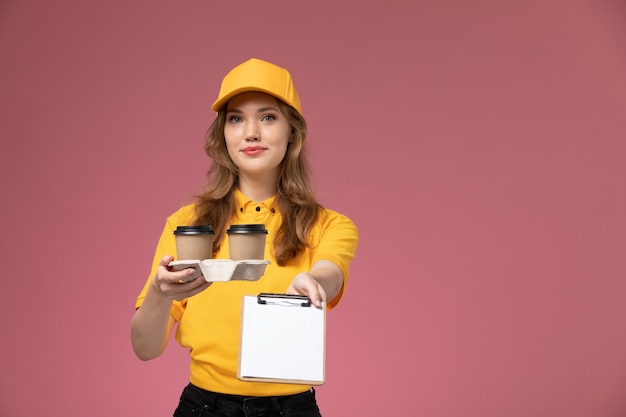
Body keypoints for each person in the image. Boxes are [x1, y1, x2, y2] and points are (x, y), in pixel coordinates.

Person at [130, 58, 359, 417]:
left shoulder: (329, 225)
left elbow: (331, 272)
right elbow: (144, 348)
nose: (251, 132)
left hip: (292, 409)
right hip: (203, 407)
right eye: (236, 119)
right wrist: (160, 293)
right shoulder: (188, 225)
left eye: (268, 117)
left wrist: (313, 281)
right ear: (223, 134)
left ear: (292, 132)